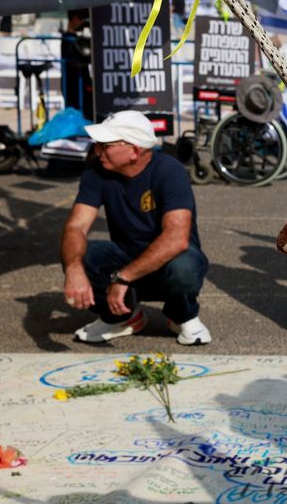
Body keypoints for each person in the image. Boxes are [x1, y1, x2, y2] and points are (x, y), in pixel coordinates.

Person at [61, 111, 211, 344]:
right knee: (81, 254)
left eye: (105, 144)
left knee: (184, 266)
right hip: (126, 255)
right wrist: (73, 268)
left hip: (168, 260)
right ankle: (120, 317)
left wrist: (122, 279)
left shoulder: (170, 171)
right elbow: (76, 226)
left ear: (134, 150)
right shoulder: (96, 171)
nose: (97, 149)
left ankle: (182, 315)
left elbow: (177, 238)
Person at [61, 10, 93, 121]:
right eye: (81, 18)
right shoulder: (68, 39)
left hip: (81, 82)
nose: (83, 21)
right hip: (73, 83)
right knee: (76, 110)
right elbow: (74, 61)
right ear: (74, 19)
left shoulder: (75, 38)